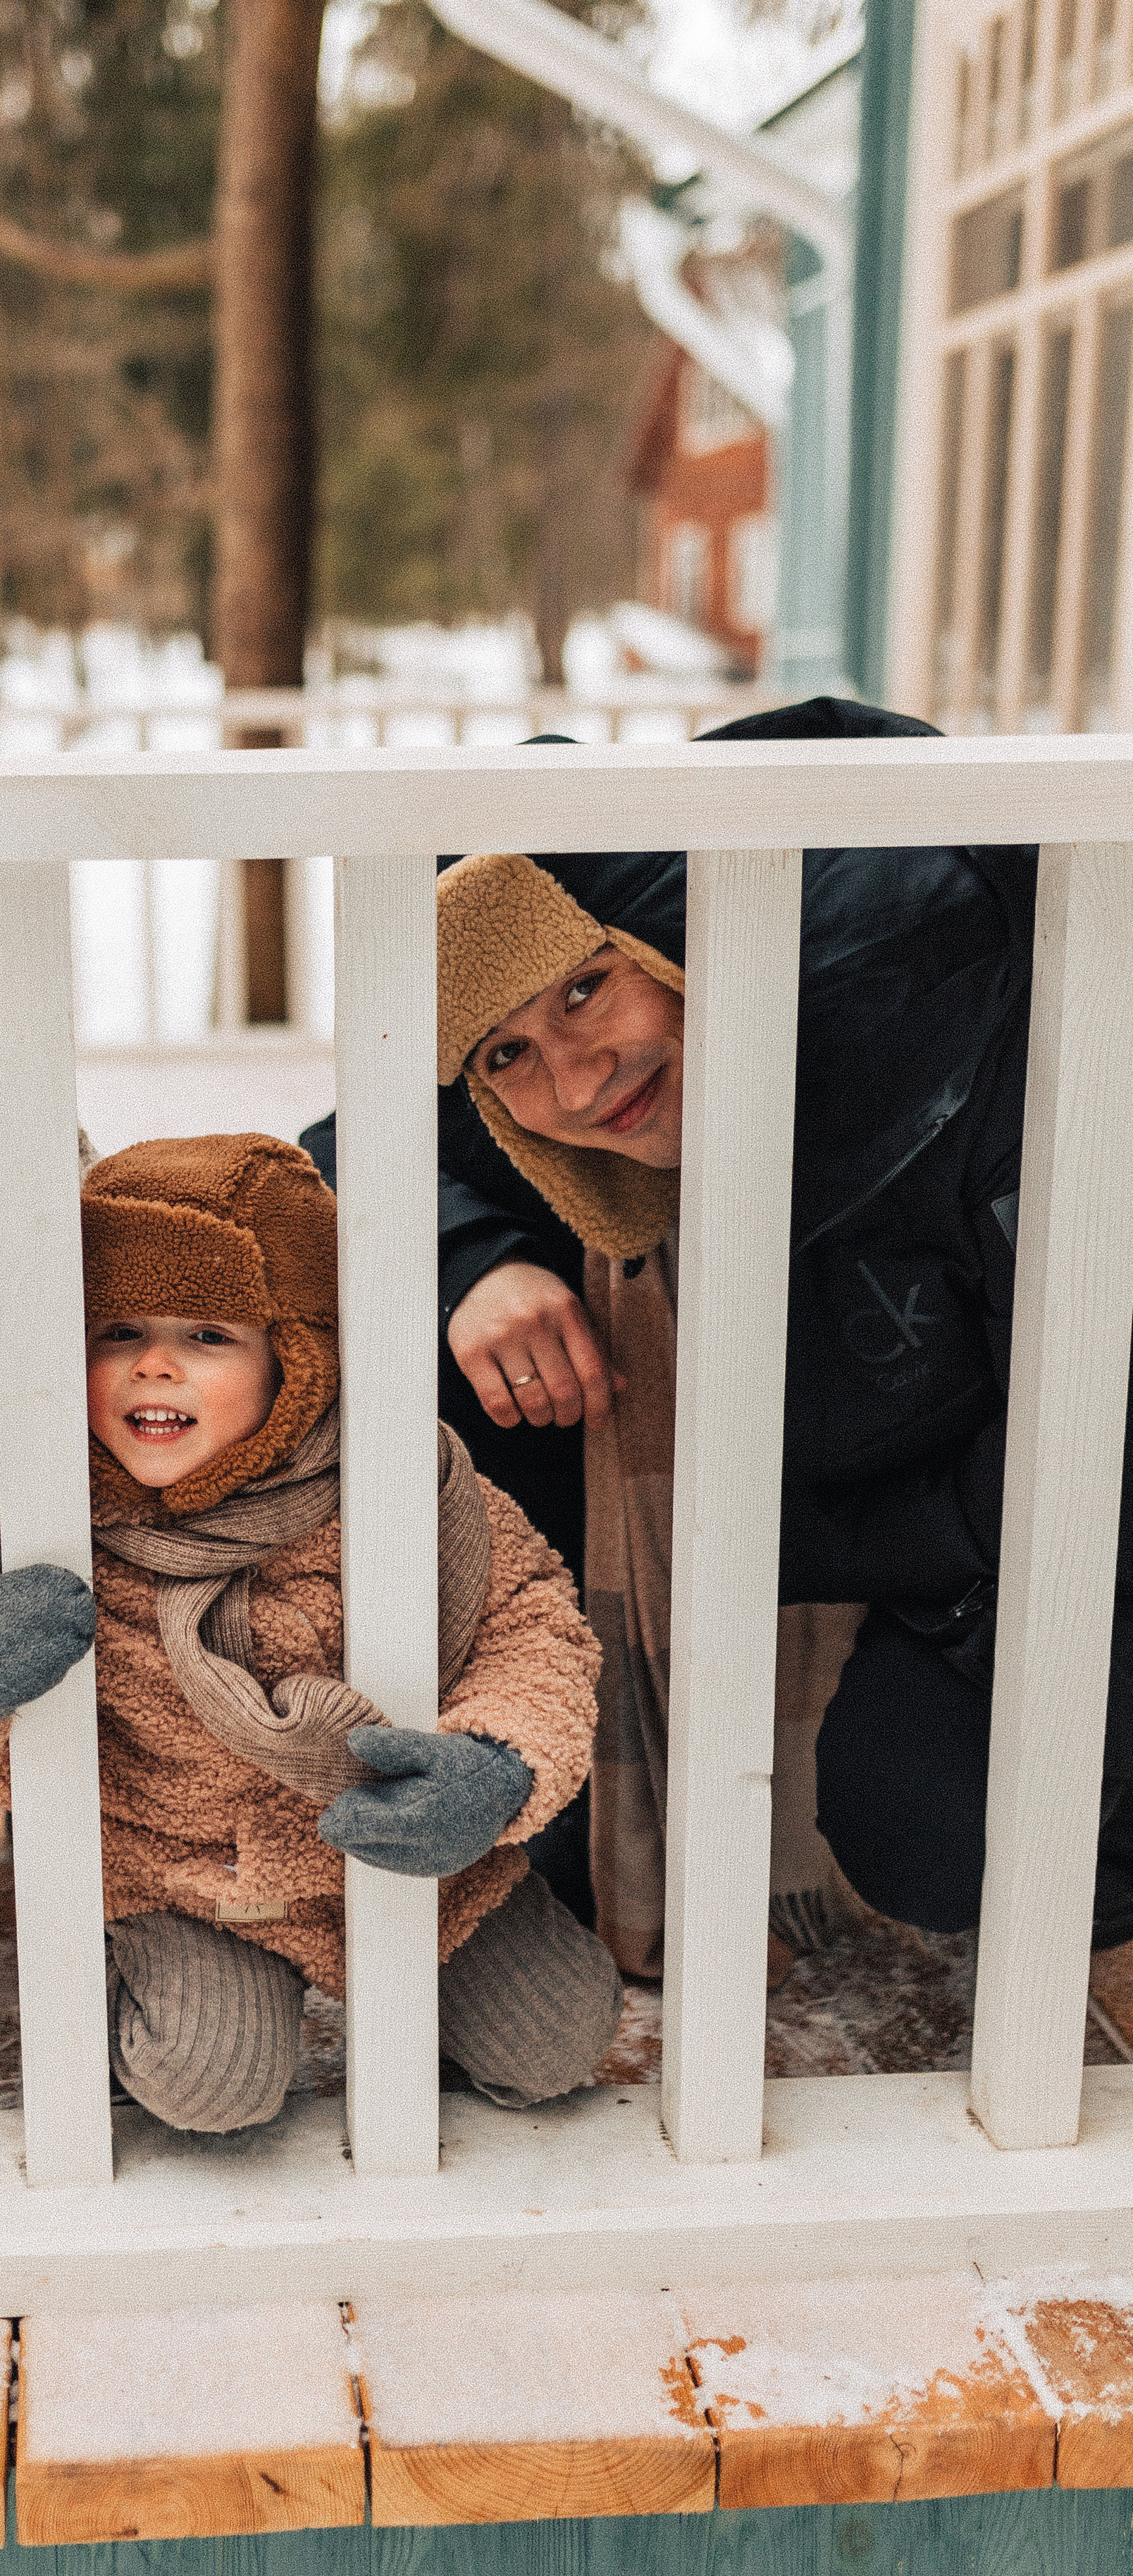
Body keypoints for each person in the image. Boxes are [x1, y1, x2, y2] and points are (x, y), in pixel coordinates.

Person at [411, 693, 1133, 1978]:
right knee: (920, 1819)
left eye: (589, 987)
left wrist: (795, 1536)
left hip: (1077, 1507)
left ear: (679, 936)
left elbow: (1083, 1446)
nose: (577, 1078)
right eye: (510, 1050)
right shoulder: (595, 1100)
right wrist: (473, 1258)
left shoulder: (944, 1047)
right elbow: (347, 1145)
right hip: (966, 1553)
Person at [0, 1132, 621, 2129]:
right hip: (185, 1881)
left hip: (412, 1858)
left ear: (296, 1360)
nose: (156, 1367)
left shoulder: (399, 1490)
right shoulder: (64, 1517)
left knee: (560, 2042)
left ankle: (441, 1991)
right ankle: (112, 1979)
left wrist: (495, 1766)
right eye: (118, 1331)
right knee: (212, 2087)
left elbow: (534, 1629)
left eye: (210, 1336)